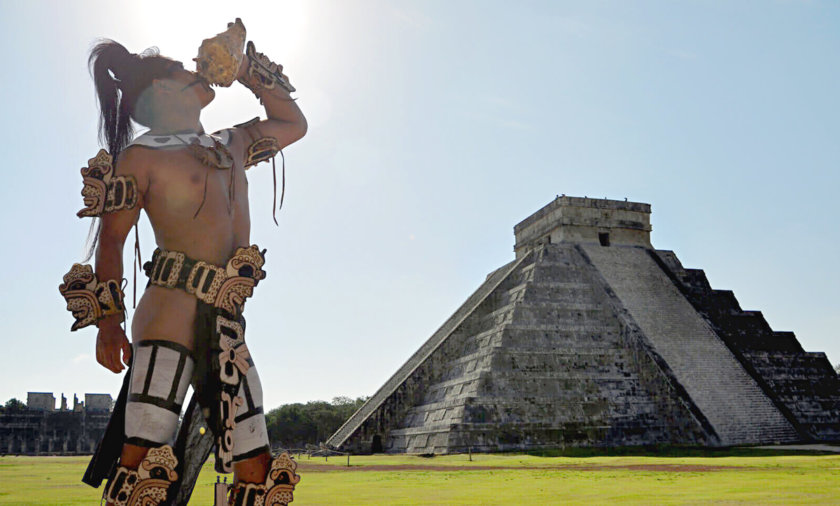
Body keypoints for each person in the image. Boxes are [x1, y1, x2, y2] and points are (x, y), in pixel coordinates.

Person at [59, 24, 306, 506]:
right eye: (181, 69)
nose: (199, 71)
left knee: (258, 469)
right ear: (161, 92)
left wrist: (251, 70)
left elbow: (293, 124)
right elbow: (111, 241)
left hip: (229, 327)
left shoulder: (233, 143)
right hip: (169, 315)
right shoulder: (140, 157)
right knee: (143, 464)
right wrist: (108, 323)